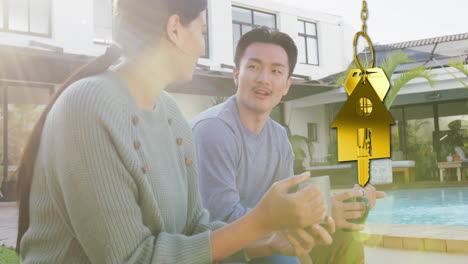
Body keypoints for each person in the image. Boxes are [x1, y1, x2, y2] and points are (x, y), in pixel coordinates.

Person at [14, 1, 332, 263]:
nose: (202, 46)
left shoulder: (170, 115)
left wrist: (270, 241)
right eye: (202, 31)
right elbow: (131, 258)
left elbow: (196, 228)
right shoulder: (88, 106)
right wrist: (260, 223)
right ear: (175, 29)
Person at [191, 27, 385, 264]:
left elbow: (288, 203)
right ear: (235, 75)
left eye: (276, 71)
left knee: (344, 239)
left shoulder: (279, 136)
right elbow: (223, 222)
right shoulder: (214, 130)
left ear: (286, 85)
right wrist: (298, 220)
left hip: (267, 239)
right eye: (253, 67)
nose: (264, 78)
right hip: (223, 250)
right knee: (284, 258)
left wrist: (343, 207)